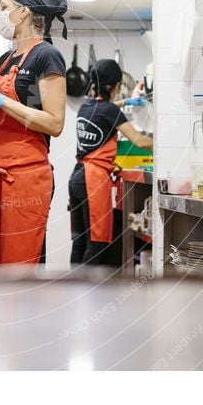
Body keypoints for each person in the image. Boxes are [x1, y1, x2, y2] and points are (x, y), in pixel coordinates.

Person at [0, 0, 69, 266]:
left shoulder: (47, 56)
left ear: (23, 11)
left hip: (26, 179)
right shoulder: (5, 59)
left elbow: (54, 123)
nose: (0, 14)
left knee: (18, 270)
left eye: (4, 6)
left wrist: (0, 99)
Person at [69, 59, 153, 265]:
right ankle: (90, 294)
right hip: (93, 180)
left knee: (79, 241)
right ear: (116, 86)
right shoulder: (109, 111)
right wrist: (165, 144)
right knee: (97, 243)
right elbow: (140, 141)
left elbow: (105, 109)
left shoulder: (85, 107)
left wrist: (125, 103)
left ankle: (73, 292)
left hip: (77, 177)